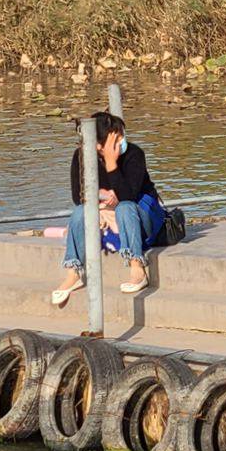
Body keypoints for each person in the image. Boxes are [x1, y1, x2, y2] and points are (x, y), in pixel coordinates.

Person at [53, 110, 166, 305]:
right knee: (81, 212)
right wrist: (101, 207)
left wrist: (112, 163)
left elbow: (129, 197)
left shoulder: (134, 154)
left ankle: (137, 267)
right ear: (98, 145)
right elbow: (78, 196)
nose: (121, 140)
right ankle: (73, 273)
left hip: (140, 218)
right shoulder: (82, 157)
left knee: (124, 208)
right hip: (107, 218)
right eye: (115, 137)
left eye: (121, 135)